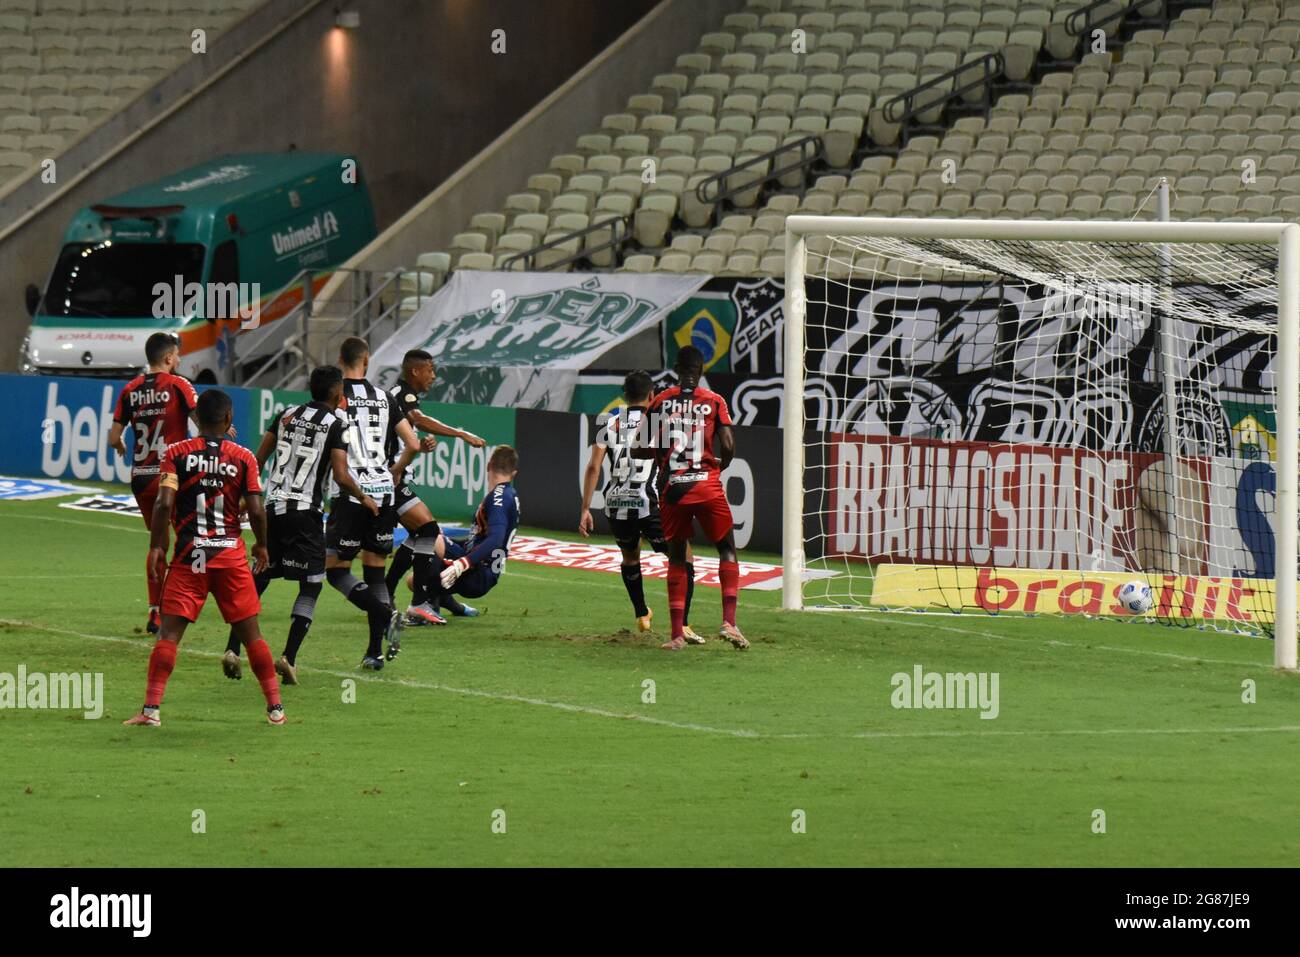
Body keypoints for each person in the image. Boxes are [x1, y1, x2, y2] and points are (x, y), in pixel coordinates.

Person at [122, 389, 284, 726]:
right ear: (228, 419)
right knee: (252, 635)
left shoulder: (177, 453)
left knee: (169, 635)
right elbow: (255, 508)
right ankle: (275, 709)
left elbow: (164, 504)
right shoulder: (244, 458)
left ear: (195, 420)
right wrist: (262, 545)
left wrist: (157, 547)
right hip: (229, 556)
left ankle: (151, 710)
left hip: (190, 554)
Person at [220, 365, 380, 685]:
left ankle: (232, 649)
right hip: (305, 512)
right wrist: (363, 497)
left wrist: (243, 498)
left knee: (261, 575)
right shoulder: (339, 424)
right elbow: (340, 474)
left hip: (271, 508)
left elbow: (258, 460)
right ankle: (288, 657)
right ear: (337, 394)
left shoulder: (285, 414)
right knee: (311, 584)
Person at [637, 346, 747, 651]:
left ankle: (675, 635)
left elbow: (637, 448)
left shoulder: (660, 401)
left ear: (675, 369)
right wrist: (719, 468)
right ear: (700, 371)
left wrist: (663, 456)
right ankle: (729, 623)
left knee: (676, 558)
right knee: (726, 548)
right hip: (707, 486)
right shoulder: (714, 401)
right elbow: (728, 443)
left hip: (673, 489)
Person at [580, 370, 701, 641]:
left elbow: (593, 467)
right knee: (685, 557)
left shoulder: (607, 421)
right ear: (651, 395)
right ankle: (682, 623)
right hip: (649, 502)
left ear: (624, 396)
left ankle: (641, 613)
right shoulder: (660, 420)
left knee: (631, 557)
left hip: (614, 501)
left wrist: (586, 508)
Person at [326, 337, 421, 670]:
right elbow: (413, 443)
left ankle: (386, 613)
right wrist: (395, 471)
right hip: (383, 489)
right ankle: (373, 652)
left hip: (351, 492)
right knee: (375, 572)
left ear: (341, 359)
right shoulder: (383, 397)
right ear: (366, 361)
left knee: (337, 572)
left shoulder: (335, 398)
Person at [381, 348, 487, 625]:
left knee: (421, 533)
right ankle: (419, 602)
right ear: (415, 371)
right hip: (386, 478)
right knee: (426, 531)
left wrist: (416, 449)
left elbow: (405, 432)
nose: (433, 375)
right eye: (430, 369)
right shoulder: (403, 395)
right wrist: (461, 434)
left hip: (392, 475)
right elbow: (419, 420)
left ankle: (392, 593)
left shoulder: (399, 395)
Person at [107, 332, 200, 635]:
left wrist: (121, 447)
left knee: (158, 542)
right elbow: (202, 420)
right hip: (170, 475)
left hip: (140, 477)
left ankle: (154, 611)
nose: (180, 360)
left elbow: (113, 437)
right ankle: (179, 601)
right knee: (188, 537)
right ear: (168, 358)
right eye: (177, 355)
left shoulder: (129, 390)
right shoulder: (179, 385)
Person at [407, 446, 519, 620]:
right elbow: (479, 540)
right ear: (514, 474)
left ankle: (427, 607)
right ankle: (453, 607)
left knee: (426, 554)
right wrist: (453, 544)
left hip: (479, 572)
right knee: (430, 548)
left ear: (488, 465)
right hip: (482, 569)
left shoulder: (499, 497)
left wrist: (463, 563)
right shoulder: (506, 494)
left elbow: (496, 539)